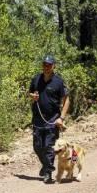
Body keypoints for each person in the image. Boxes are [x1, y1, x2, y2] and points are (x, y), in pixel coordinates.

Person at [28, 55, 70, 183]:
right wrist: (32, 96)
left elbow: (67, 99)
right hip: (37, 118)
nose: (46, 67)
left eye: (49, 65)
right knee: (37, 146)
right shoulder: (36, 79)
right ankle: (46, 165)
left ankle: (48, 173)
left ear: (53, 66)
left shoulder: (58, 81)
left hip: (53, 119)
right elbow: (29, 93)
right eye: (44, 65)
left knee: (49, 146)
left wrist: (61, 118)